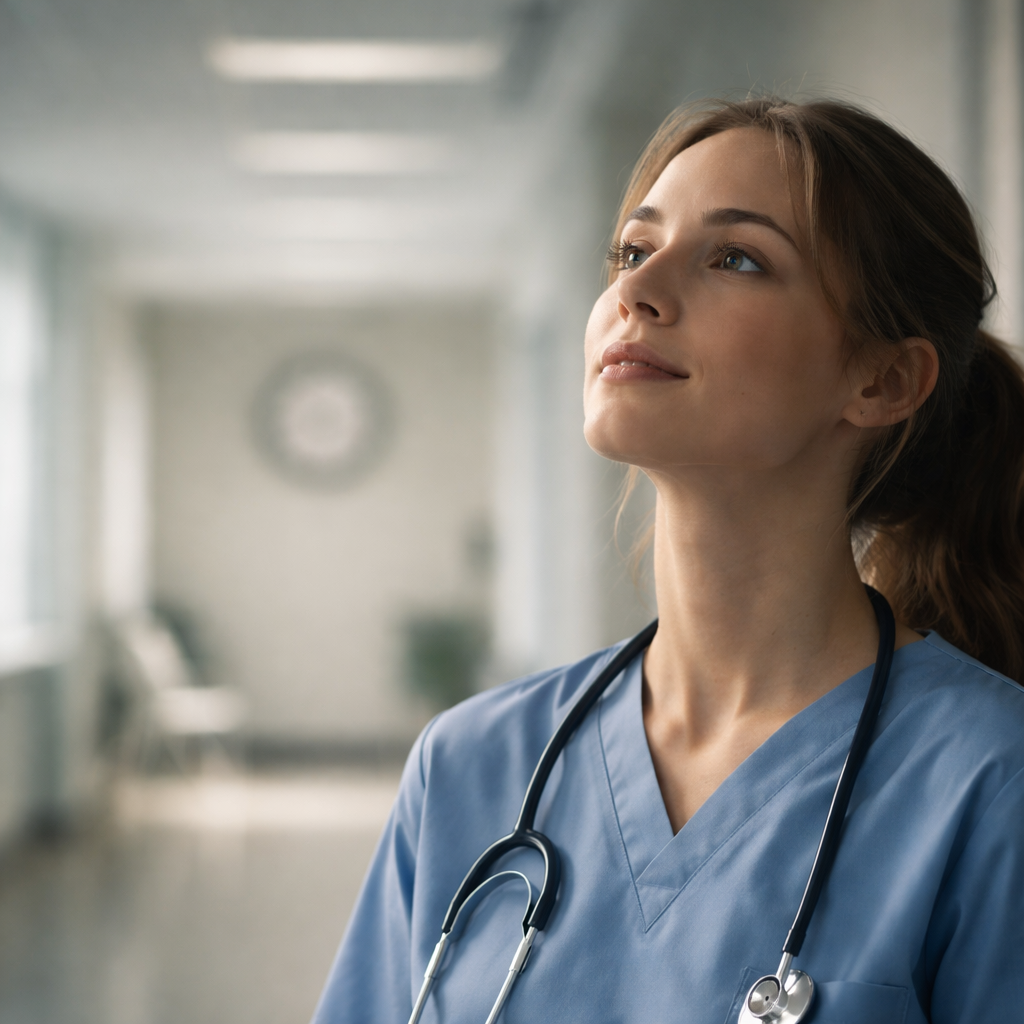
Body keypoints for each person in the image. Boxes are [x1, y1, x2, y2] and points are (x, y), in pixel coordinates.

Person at [312, 98, 1024, 1024]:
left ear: (881, 380)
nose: (637, 294)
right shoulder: (470, 766)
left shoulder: (987, 779)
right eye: (633, 252)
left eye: (737, 258)